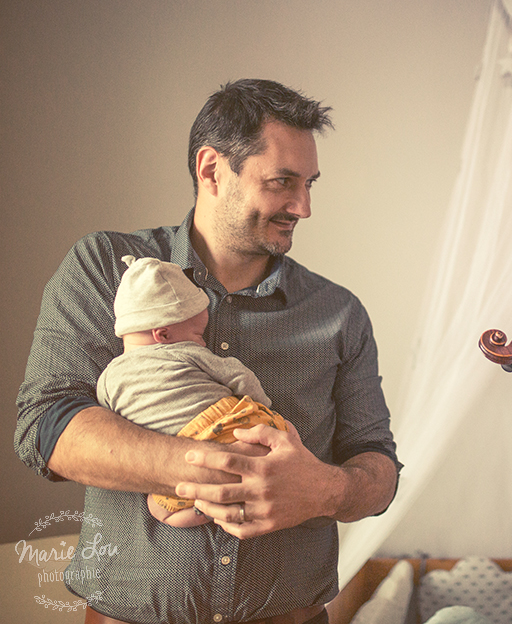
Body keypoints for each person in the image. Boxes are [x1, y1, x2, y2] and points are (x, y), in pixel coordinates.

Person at [16, 79, 400, 624]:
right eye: (282, 182)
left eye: (310, 183)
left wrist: (326, 490)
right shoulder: (105, 268)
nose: (304, 206)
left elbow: (377, 463)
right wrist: (219, 468)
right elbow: (46, 427)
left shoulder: (339, 313)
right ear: (212, 169)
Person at [98, 254, 287, 528]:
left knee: (158, 509)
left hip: (181, 455)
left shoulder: (107, 380)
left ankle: (206, 507)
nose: (202, 341)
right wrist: (263, 406)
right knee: (269, 450)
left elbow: (114, 425)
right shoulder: (184, 352)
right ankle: (234, 496)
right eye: (199, 334)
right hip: (229, 424)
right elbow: (237, 374)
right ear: (163, 335)